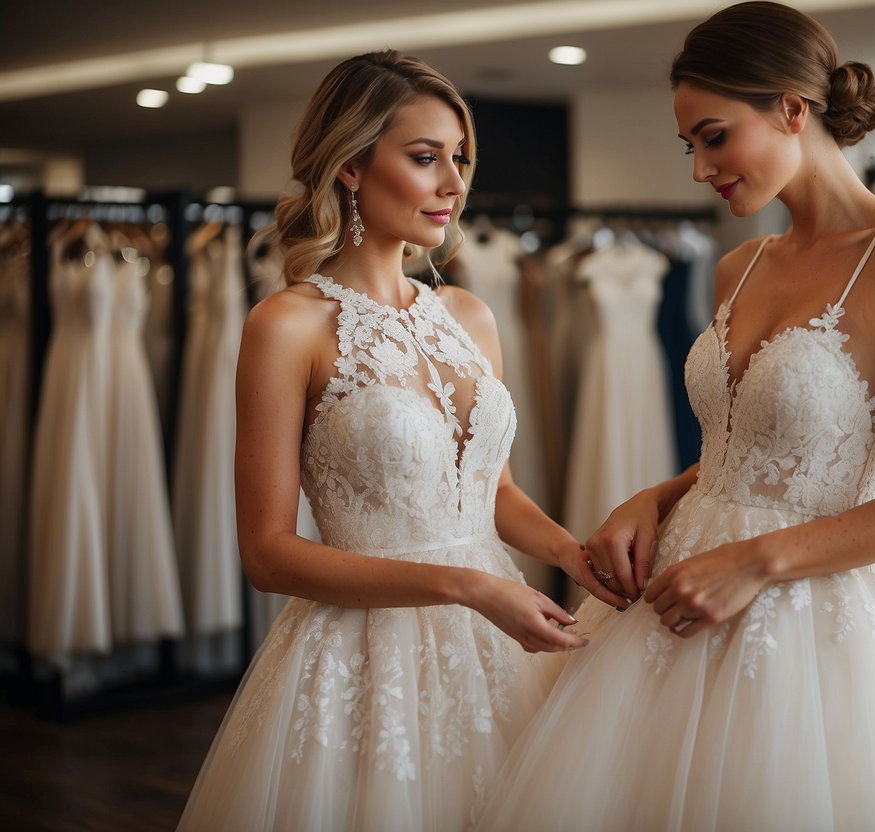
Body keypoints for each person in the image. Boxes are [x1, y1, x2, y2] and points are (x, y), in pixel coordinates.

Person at [474, 4, 875, 830]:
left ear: (791, 110)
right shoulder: (739, 265)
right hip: (677, 594)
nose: (700, 169)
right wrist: (654, 499)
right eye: (689, 146)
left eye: (713, 136)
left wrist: (755, 563)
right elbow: (750, 451)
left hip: (817, 609)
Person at [176, 51, 627, 832]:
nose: (454, 182)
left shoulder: (469, 315)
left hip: (497, 639)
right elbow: (266, 554)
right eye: (425, 158)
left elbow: (495, 492)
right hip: (363, 654)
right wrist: (466, 586)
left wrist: (568, 555)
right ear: (351, 165)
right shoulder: (287, 325)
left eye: (460, 157)